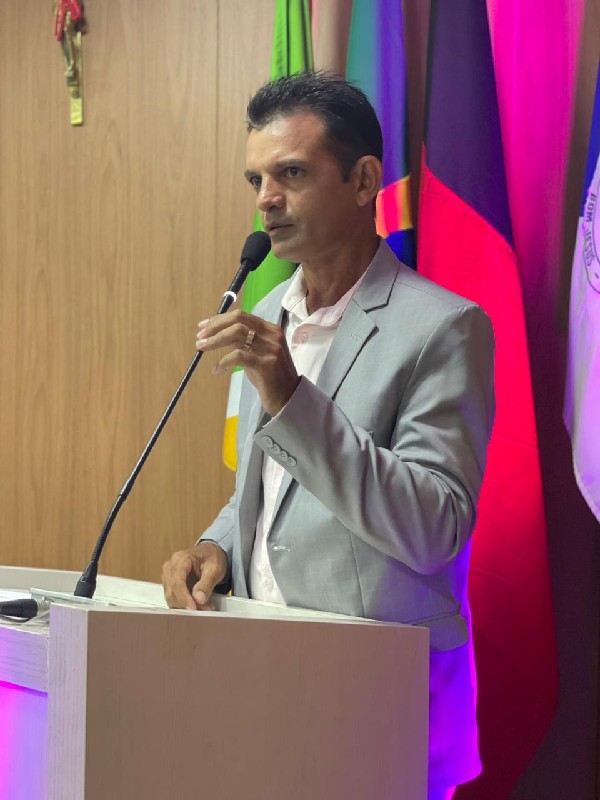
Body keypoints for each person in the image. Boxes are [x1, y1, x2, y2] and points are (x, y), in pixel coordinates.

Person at [162, 72, 495, 800]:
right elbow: (269, 490)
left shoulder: (444, 327)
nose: (265, 199)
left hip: (378, 707)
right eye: (256, 179)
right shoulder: (267, 317)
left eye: (290, 173)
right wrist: (217, 547)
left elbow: (435, 526)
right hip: (261, 686)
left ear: (363, 180)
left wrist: (290, 396)